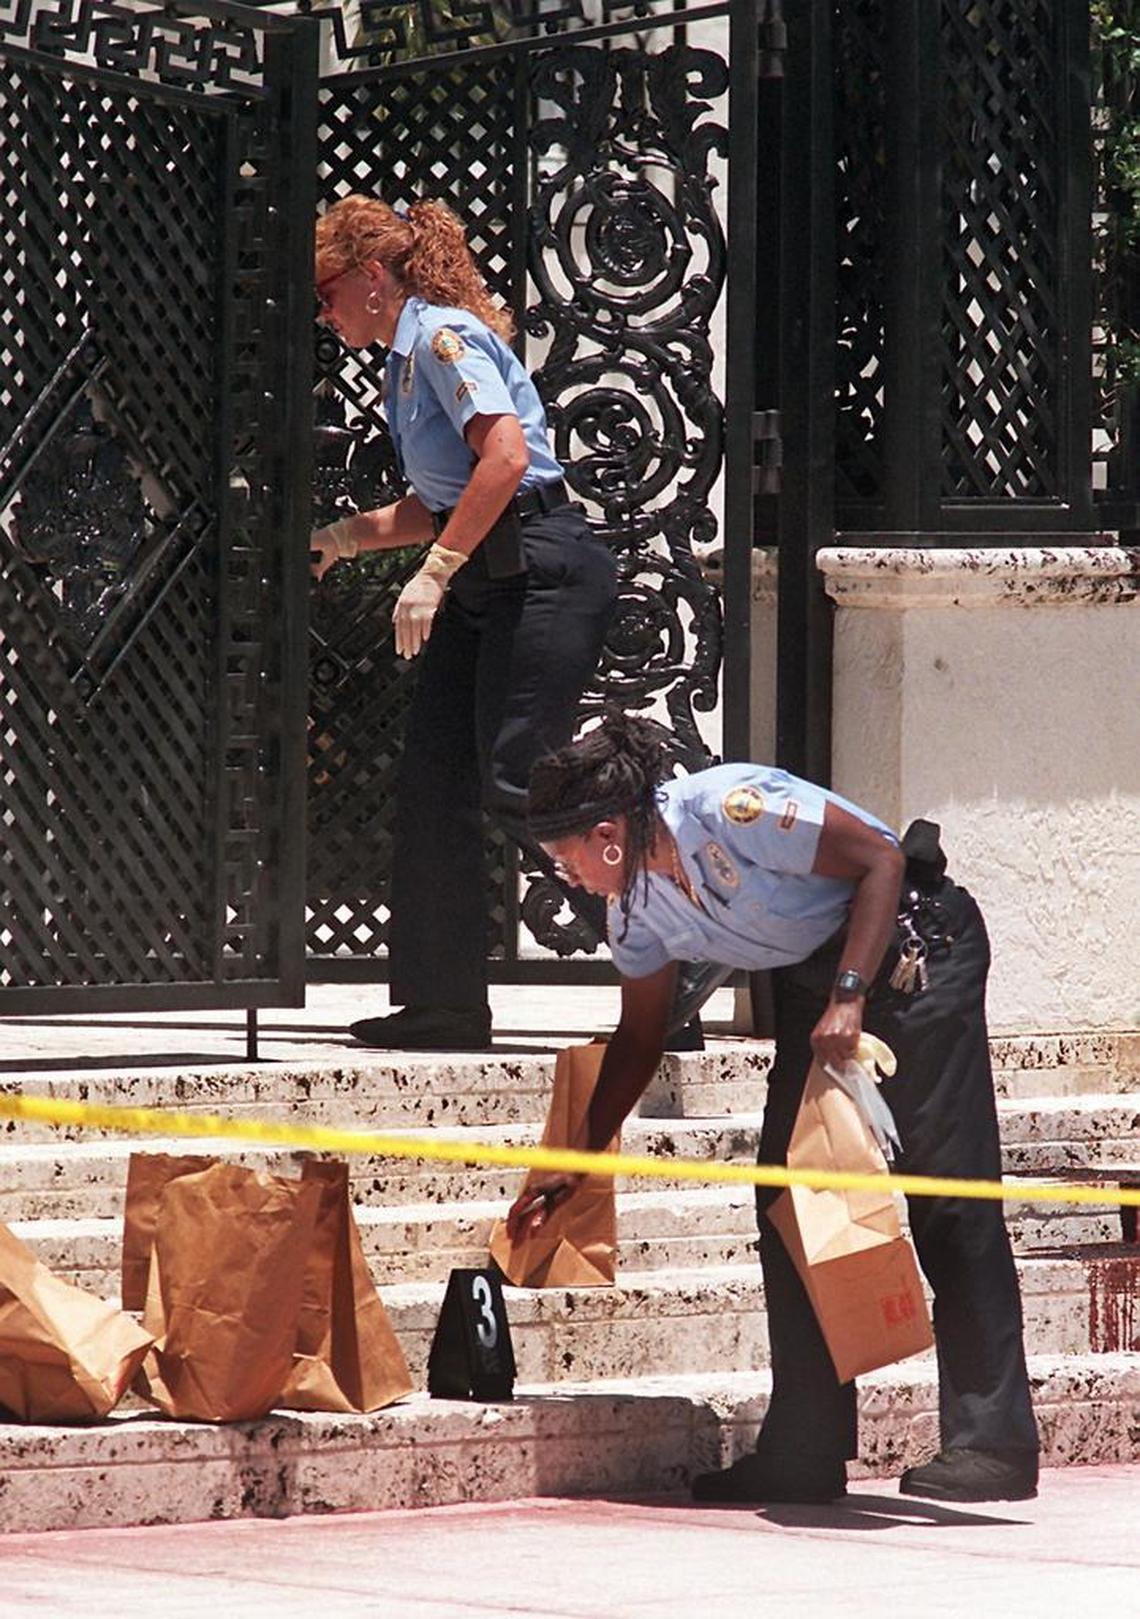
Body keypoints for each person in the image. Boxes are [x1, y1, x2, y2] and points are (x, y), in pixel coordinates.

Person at [506, 711, 1040, 1505]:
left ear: (609, 833)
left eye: (565, 857)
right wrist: (578, 1160)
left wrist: (851, 998)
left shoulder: (731, 807)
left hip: (913, 953)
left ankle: (994, 1441)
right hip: (818, 983)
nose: (565, 877)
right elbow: (640, 1034)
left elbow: (882, 860)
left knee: (947, 1193)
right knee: (787, 1198)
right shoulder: (632, 911)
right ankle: (804, 1447)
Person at [312, 194, 618, 1051]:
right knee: (435, 783)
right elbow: (439, 497)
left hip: (543, 571)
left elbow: (508, 458)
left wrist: (435, 572)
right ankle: (442, 1004)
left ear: (373, 278)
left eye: (328, 292)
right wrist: (340, 540)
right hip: (492, 578)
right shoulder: (402, 361)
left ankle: (670, 966)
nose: (324, 312)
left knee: (523, 778)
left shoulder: (443, 339)